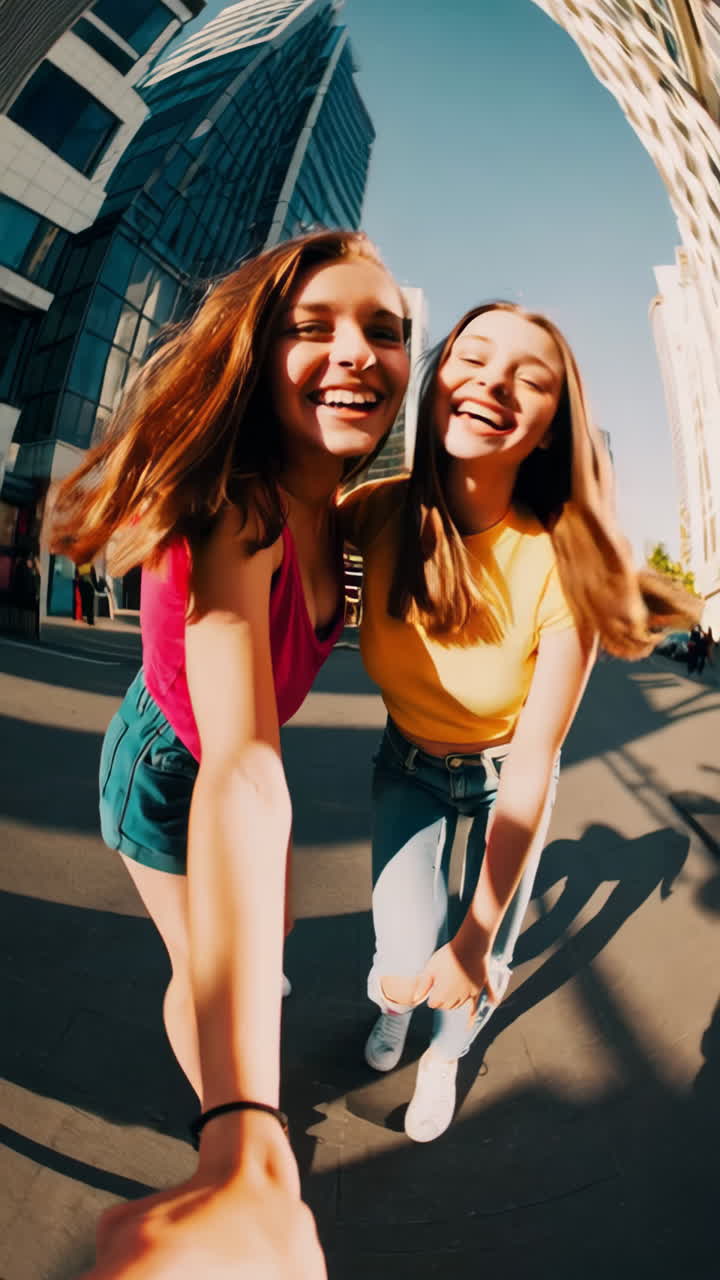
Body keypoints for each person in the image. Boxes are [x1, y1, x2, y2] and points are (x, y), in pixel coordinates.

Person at [48, 229, 410, 1275]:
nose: (357, 350)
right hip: (169, 766)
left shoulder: (339, 518)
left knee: (263, 943)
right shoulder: (237, 503)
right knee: (206, 960)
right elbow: (240, 765)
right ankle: (231, 1124)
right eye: (314, 326)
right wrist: (247, 1128)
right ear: (259, 350)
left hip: (242, 757)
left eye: (384, 330)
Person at [341, 301, 699, 1143]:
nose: (493, 382)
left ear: (547, 432)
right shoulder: (376, 511)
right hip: (406, 765)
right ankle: (401, 1006)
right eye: (473, 358)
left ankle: (445, 1056)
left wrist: (472, 939)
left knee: (479, 956)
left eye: (529, 379)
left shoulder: (561, 565)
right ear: (437, 382)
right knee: (401, 964)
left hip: (505, 771)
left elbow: (536, 759)